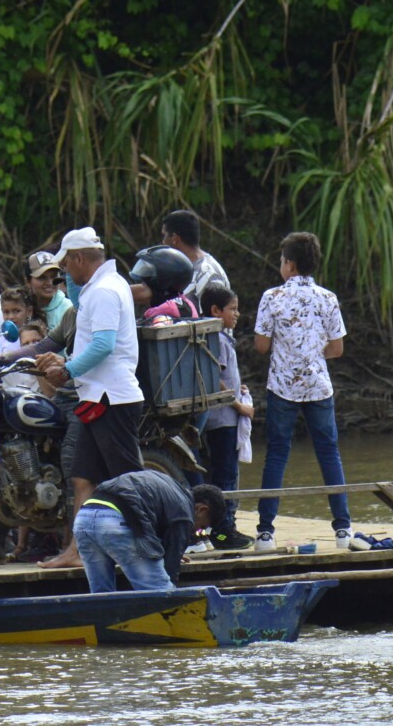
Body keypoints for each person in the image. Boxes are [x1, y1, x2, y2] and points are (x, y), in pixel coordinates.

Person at [36, 226, 145, 571]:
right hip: (94, 396)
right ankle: (77, 551)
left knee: (128, 480)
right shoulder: (98, 288)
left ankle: (155, 544)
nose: (64, 273)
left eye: (67, 265)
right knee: (83, 476)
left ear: (80, 258)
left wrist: (66, 369)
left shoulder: (105, 291)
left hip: (113, 398)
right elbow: (81, 307)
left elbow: (103, 345)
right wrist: (71, 280)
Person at [253, 231, 360, 553]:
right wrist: (311, 354)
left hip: (282, 386)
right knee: (329, 453)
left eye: (282, 261)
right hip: (318, 386)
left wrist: (289, 353)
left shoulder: (272, 297)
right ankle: (343, 530)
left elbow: (261, 346)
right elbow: (338, 348)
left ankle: (265, 534)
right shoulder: (327, 298)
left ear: (289, 264)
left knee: (276, 454)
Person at [73, 474, 228, 593]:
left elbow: (149, 516)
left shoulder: (171, 487)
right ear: (201, 509)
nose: (195, 532)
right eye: (201, 527)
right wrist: (170, 558)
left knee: (101, 595)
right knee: (161, 594)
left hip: (84, 517)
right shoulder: (184, 513)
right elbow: (170, 570)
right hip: (116, 520)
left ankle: (104, 633)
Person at [198, 283, 253, 547]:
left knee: (222, 475)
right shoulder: (217, 338)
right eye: (232, 309)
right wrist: (238, 405)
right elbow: (214, 377)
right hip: (223, 420)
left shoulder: (220, 337)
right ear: (215, 310)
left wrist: (237, 387)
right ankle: (223, 532)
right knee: (226, 478)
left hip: (221, 419)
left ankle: (222, 529)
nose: (237, 314)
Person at [161, 208, 229, 304]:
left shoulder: (207, 273)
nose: (163, 242)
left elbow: (214, 317)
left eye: (164, 235)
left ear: (175, 238)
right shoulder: (179, 269)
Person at [128, 244, 197, 322]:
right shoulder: (186, 303)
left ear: (163, 281)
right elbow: (142, 291)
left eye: (145, 283)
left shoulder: (163, 310)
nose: (143, 284)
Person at [26, 250, 75, 337]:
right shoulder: (20, 308)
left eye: (54, 276)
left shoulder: (69, 309)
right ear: (28, 281)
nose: (49, 282)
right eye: (42, 278)